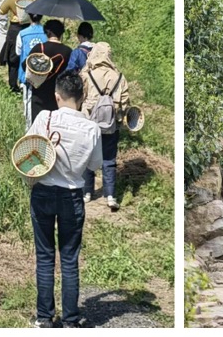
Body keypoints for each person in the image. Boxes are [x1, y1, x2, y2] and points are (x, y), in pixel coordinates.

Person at [25, 71, 102, 328]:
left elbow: (29, 152)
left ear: (57, 96)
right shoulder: (92, 128)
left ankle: (44, 318)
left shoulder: (44, 117)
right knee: (69, 259)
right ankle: (70, 320)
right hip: (72, 196)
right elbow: (95, 164)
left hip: (43, 192)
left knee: (45, 256)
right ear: (82, 97)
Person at [80, 42, 128, 210]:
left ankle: (87, 192)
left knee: (87, 156)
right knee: (109, 159)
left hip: (89, 122)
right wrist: (119, 120)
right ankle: (110, 195)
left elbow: (80, 96)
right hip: (111, 124)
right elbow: (124, 103)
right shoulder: (119, 77)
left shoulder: (87, 74)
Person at [26, 20, 72, 125]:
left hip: (38, 91)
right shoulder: (68, 51)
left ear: (48, 32)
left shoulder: (39, 48)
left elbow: (26, 65)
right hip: (58, 94)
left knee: (38, 124)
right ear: (61, 33)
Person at [0, 0, 39, 93]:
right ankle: (27, 83)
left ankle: (13, 85)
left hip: (14, 30)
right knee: (28, 55)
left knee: (13, 59)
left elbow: (1, 11)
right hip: (28, 29)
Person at [17, 14, 47, 128]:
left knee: (27, 102)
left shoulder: (23, 33)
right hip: (43, 72)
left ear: (29, 17)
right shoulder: (46, 33)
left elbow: (18, 52)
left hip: (27, 73)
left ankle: (29, 128)